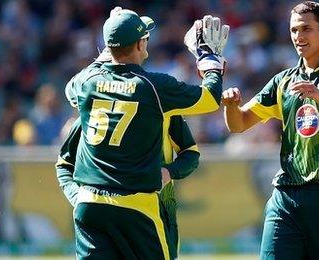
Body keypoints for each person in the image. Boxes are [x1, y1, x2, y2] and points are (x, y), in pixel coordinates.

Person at [63, 6, 228, 259]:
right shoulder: (154, 87)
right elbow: (209, 98)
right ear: (140, 44)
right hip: (137, 206)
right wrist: (209, 59)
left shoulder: (87, 82)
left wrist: (112, 40)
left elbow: (71, 89)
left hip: (90, 205)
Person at [222, 1, 319, 259]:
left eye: (306, 29)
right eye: (293, 30)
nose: (298, 37)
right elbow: (239, 124)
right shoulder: (283, 80)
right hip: (286, 197)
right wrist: (231, 106)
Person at [56, 115, 199, 259]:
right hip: (99, 215)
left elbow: (190, 154)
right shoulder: (95, 108)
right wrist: (78, 197)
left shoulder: (165, 107)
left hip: (157, 213)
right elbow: (65, 164)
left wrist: (169, 171)